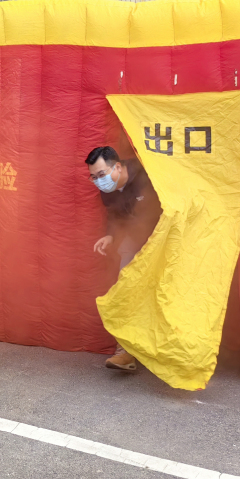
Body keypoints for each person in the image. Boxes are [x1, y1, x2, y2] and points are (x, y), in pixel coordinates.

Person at [86, 146, 162, 372]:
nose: (98, 181)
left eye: (101, 174)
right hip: (134, 239)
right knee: (125, 289)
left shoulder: (148, 176)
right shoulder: (107, 189)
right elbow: (114, 213)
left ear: (118, 167)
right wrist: (110, 235)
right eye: (93, 177)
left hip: (164, 239)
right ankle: (125, 351)